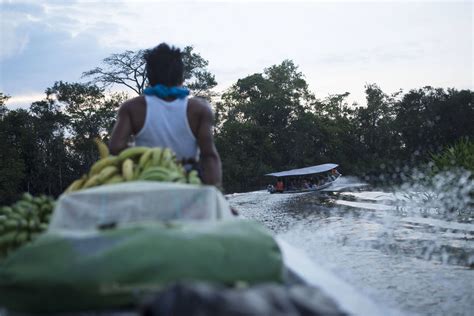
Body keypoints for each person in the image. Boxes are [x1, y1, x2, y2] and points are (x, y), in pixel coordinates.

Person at [109, 43, 222, 186]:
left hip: (146, 184)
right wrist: (214, 191)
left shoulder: (132, 108)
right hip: (187, 185)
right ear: (181, 76)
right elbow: (209, 156)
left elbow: (116, 149)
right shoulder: (199, 109)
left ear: (149, 76)